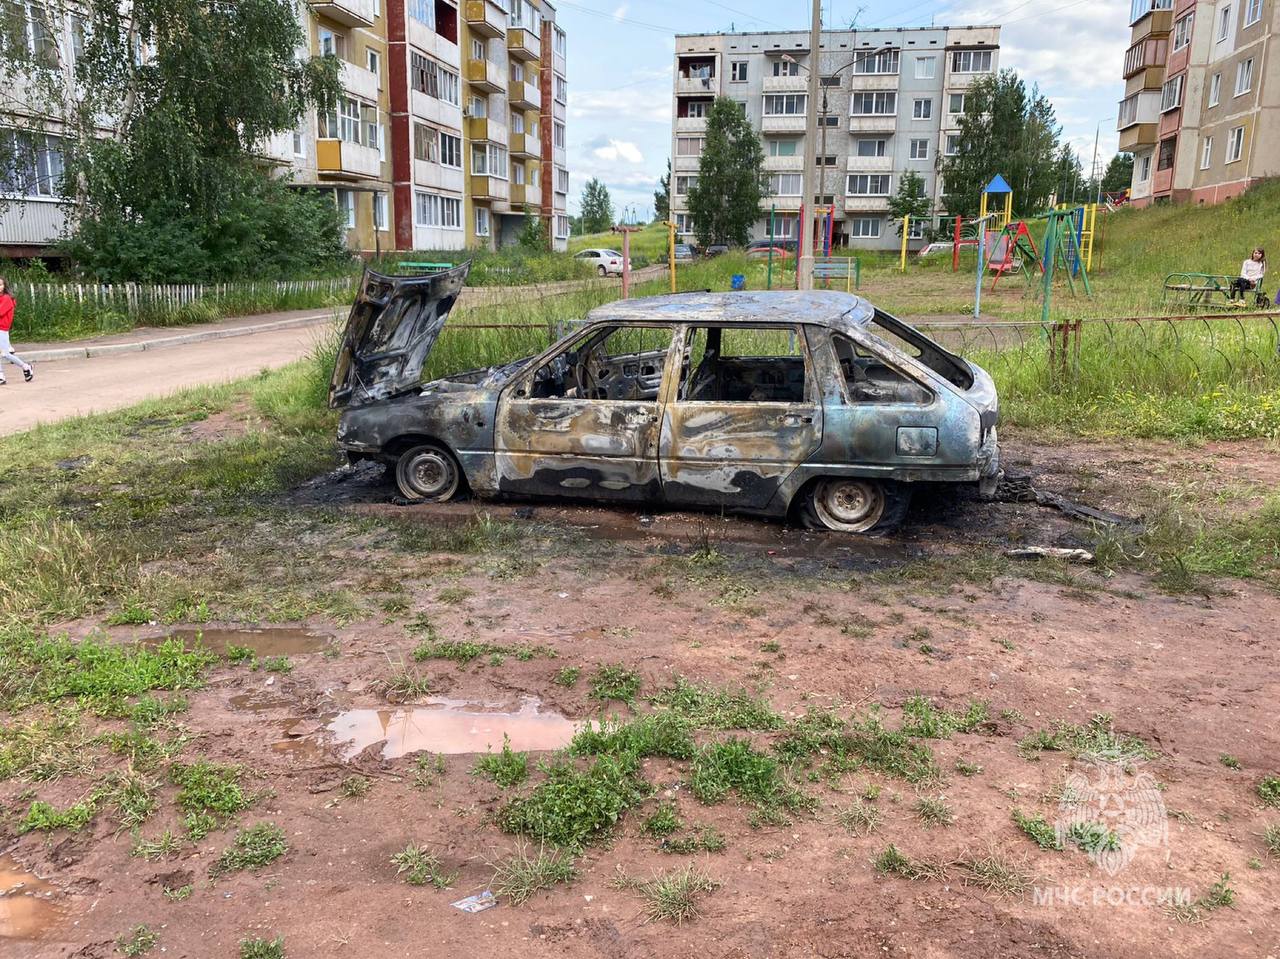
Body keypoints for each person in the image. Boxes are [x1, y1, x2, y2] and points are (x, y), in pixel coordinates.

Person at [0, 277, 34, 384]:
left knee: (5, 354)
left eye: (0, 285)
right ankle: (1, 376)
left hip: (2, 329)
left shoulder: (6, 298)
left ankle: (26, 367)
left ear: (4, 286)